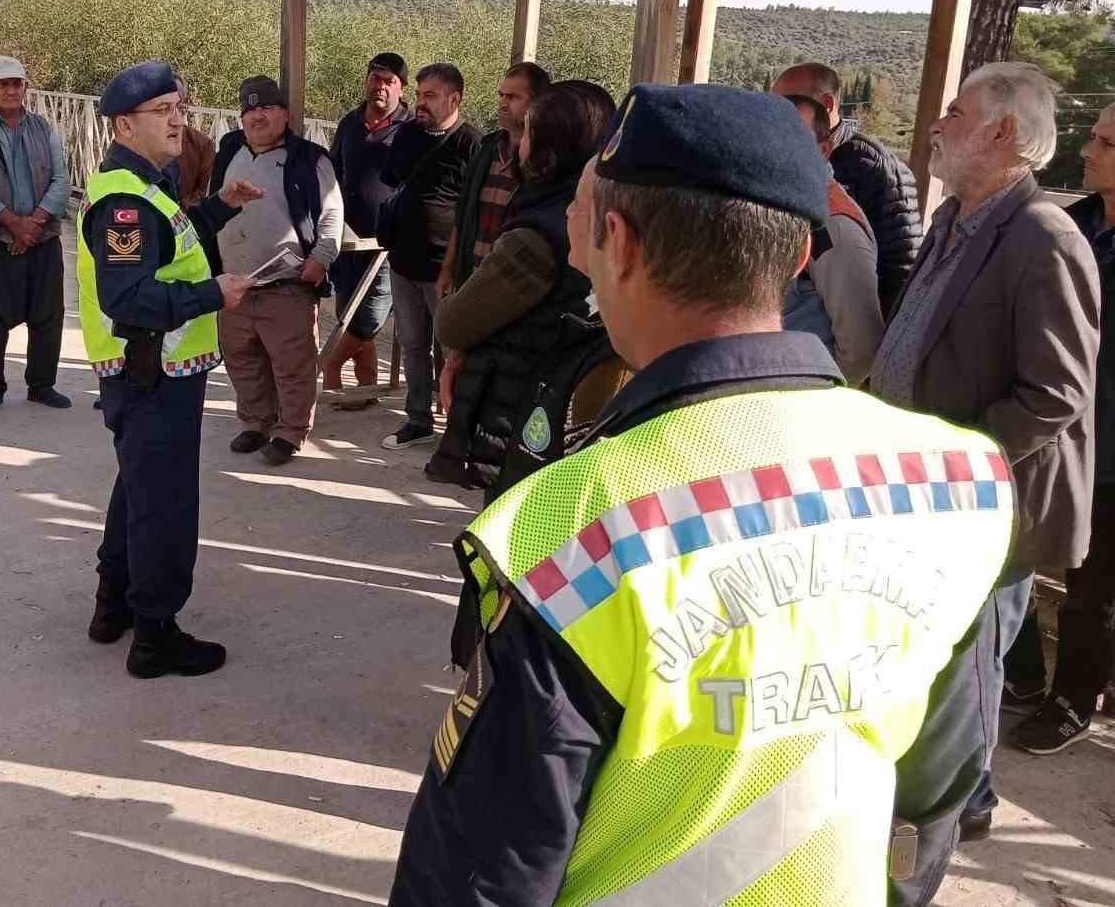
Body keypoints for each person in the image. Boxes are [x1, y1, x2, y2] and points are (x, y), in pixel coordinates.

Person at [388, 83, 1015, 907]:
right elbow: (936, 789)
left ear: (617, 241)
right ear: (797, 259)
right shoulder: (957, 479)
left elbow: (481, 874)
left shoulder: (574, 531)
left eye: (587, 226)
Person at [868, 62, 1097, 900]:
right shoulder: (958, 221)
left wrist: (944, 468)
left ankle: (914, 875)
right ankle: (963, 804)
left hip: (979, 513)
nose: (937, 123)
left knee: (953, 704)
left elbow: (1057, 395)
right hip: (918, 500)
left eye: (956, 113)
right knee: (943, 694)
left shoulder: (1044, 236)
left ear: (1002, 133)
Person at [77, 60, 262, 679]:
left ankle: (114, 606)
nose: (178, 121)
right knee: (165, 506)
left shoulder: (147, 187)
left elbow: (170, 246)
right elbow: (127, 297)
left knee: (137, 486)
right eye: (164, 112)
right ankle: (155, 635)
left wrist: (220, 208)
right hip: (152, 373)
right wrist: (214, 294)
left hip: (153, 372)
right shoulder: (126, 202)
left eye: (179, 109)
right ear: (125, 124)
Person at [429, 80, 613, 493]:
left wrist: (457, 314)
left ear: (550, 149)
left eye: (529, 132)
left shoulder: (539, 234)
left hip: (525, 413)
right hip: (569, 409)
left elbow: (454, 323)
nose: (520, 144)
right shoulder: (605, 215)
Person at [1001, 102, 1115, 755]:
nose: (1089, 149)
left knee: (1089, 588)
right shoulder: (1071, 226)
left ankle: (1072, 703)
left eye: (1105, 142)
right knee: (1015, 556)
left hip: (1111, 443)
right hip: (1062, 428)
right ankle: (1022, 679)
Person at [206, 76, 343, 466]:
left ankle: (290, 431)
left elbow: (333, 213)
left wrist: (321, 258)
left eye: (266, 107)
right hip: (235, 284)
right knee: (241, 358)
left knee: (292, 363)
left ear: (284, 113)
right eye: (249, 109)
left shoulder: (309, 158)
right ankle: (255, 423)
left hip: (287, 283)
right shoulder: (230, 149)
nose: (257, 115)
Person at [0, 55, 71, 416]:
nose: (11, 90)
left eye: (17, 83)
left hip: (42, 236)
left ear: (25, 86)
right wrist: (13, 224)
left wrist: (32, 223)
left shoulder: (44, 128)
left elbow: (62, 180)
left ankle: (42, 384)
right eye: (2, 83)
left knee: (48, 312)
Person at [377, 63, 480, 451]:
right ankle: (417, 419)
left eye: (430, 96)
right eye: (419, 95)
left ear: (455, 99)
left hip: (445, 269)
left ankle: (457, 427)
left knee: (453, 347)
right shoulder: (407, 134)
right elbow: (390, 179)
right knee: (413, 343)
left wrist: (455, 268)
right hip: (403, 262)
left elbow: (471, 212)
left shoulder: (473, 144)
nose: (420, 103)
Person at [771, 62, 921, 315]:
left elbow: (901, 262)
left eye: (787, 104)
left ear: (827, 104)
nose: (776, 116)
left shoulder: (871, 166)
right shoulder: (795, 158)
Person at [323, 52, 412, 407]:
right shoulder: (350, 123)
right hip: (350, 239)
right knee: (350, 312)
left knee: (370, 315)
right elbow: (331, 170)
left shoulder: (411, 129)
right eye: (375, 79)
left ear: (402, 88)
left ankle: (330, 366)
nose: (380, 87)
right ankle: (365, 392)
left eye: (389, 81)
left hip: (391, 242)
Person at [781, 93, 885, 384]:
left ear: (824, 149)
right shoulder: (787, 204)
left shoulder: (833, 224)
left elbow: (862, 348)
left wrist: (822, 403)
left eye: (792, 138)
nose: (776, 146)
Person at [436, 61, 551, 299]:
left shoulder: (547, 162)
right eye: (501, 95)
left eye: (513, 97)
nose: (502, 103)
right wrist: (448, 269)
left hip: (512, 290)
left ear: (539, 102)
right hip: (470, 279)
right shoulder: (486, 150)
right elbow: (463, 216)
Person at [171, 72, 216, 209]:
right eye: (163, 108)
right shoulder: (136, 145)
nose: (174, 116)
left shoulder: (202, 145)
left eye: (180, 106)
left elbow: (203, 196)